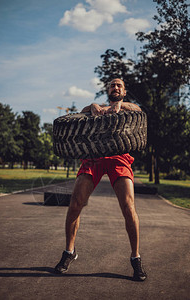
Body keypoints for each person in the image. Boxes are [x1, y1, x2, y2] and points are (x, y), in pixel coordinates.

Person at [54, 78, 147, 281]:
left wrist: (121, 106)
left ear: (124, 91)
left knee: (128, 206)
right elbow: (82, 113)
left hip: (119, 158)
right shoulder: (98, 110)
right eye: (112, 85)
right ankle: (69, 252)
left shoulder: (128, 109)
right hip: (93, 158)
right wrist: (93, 106)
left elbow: (137, 109)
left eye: (119, 85)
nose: (115, 87)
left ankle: (136, 258)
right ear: (107, 89)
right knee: (75, 203)